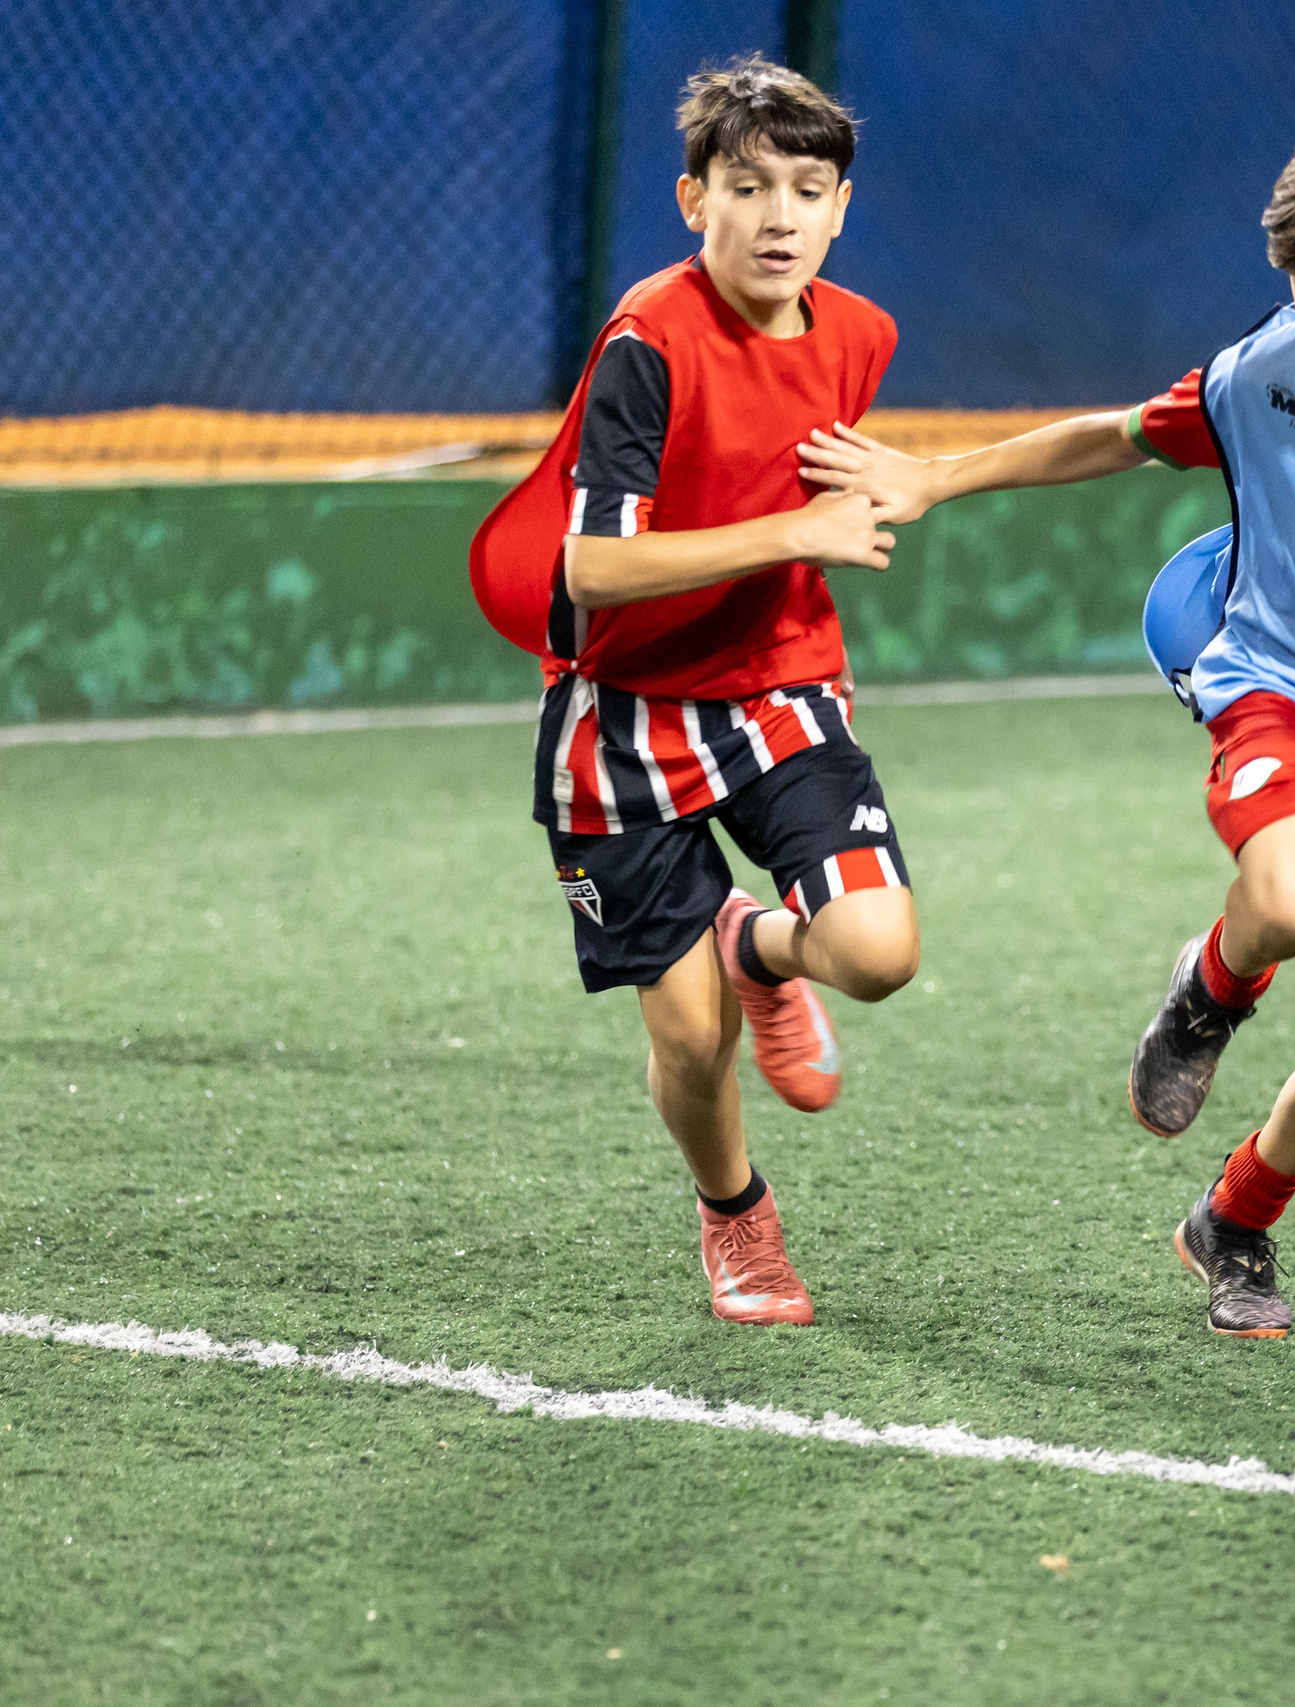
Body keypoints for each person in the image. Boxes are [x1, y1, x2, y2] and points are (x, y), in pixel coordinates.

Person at [798, 119, 1295, 1338]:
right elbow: (1120, 434)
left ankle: (1232, 1221)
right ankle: (1210, 992)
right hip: (1275, 691)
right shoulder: (1262, 372)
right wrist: (937, 476)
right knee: (1293, 895)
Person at [467, 57, 915, 1325]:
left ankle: (752, 943)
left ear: (841, 210)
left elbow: (807, 474)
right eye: (747, 186)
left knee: (877, 953)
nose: (778, 217)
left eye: (808, 191)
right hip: (620, 723)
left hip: (778, 688)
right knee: (692, 1039)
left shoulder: (863, 337)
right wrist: (796, 534)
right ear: (692, 199)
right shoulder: (646, 343)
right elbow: (593, 568)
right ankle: (737, 1219)